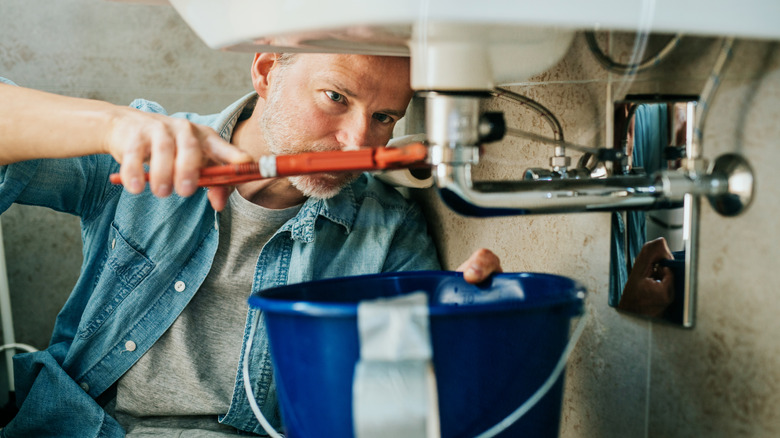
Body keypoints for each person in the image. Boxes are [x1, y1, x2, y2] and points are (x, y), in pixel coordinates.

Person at [0, 53, 502, 437]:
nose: (357, 143)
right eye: (336, 98)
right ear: (265, 71)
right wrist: (113, 126)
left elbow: (406, 406)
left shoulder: (390, 234)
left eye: (385, 117)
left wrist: (458, 325)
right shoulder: (147, 149)